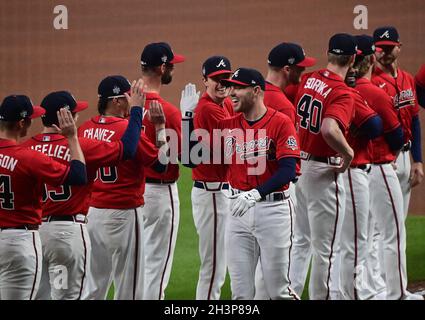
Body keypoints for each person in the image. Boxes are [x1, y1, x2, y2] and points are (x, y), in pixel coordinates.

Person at [22, 82, 147, 300]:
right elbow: (127, 149)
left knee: (41, 295)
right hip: (68, 234)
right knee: (69, 296)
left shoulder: (24, 150)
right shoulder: (81, 146)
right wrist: (136, 110)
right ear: (66, 118)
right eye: (75, 113)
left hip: (34, 234)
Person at [80, 76, 168, 300]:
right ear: (118, 101)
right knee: (129, 289)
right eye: (129, 96)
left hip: (92, 215)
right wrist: (159, 127)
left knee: (94, 287)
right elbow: (161, 164)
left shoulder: (84, 130)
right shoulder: (126, 130)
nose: (133, 100)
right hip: (123, 216)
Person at [218, 67, 300, 299]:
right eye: (230, 86)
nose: (231, 92)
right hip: (238, 214)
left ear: (256, 91)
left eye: (238, 87)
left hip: (273, 212)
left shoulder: (281, 123)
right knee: (241, 294)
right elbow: (193, 158)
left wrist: (255, 194)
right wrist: (187, 118)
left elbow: (287, 171)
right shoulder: (229, 126)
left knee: (277, 291)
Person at [0, 95, 86, 300]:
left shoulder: (28, 151)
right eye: (31, 118)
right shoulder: (27, 157)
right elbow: (78, 175)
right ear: (22, 123)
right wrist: (72, 137)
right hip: (19, 245)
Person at [291, 33, 357, 300]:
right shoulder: (343, 93)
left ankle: (290, 295)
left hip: (300, 168)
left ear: (329, 54)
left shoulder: (309, 79)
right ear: (352, 59)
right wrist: (349, 153)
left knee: (301, 242)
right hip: (323, 173)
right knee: (326, 251)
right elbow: (329, 128)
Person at [254, 42, 316, 300]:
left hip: (247, 193)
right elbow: (291, 164)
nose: (303, 72)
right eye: (300, 67)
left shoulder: (249, 96)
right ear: (288, 69)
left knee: (259, 271)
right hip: (278, 194)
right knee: (280, 273)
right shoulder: (283, 106)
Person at [139, 42, 184, 300]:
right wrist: (189, 118)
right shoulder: (168, 112)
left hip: (131, 193)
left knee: (132, 268)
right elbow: (185, 157)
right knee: (156, 267)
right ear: (161, 68)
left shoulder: (126, 105)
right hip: (160, 193)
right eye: (171, 65)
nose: (174, 69)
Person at [187, 56, 233, 300]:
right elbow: (232, 150)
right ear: (205, 80)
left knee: (219, 265)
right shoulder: (208, 109)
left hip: (218, 192)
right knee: (214, 267)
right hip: (213, 194)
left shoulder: (223, 104)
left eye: (225, 78)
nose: (222, 83)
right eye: (216, 79)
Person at [371, 26, 423, 218]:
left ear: (399, 47)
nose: (384, 52)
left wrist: (417, 160)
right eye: (380, 48)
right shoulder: (372, 83)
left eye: (389, 47)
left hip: (405, 158)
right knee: (379, 223)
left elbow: (415, 120)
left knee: (399, 221)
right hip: (385, 158)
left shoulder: (407, 79)